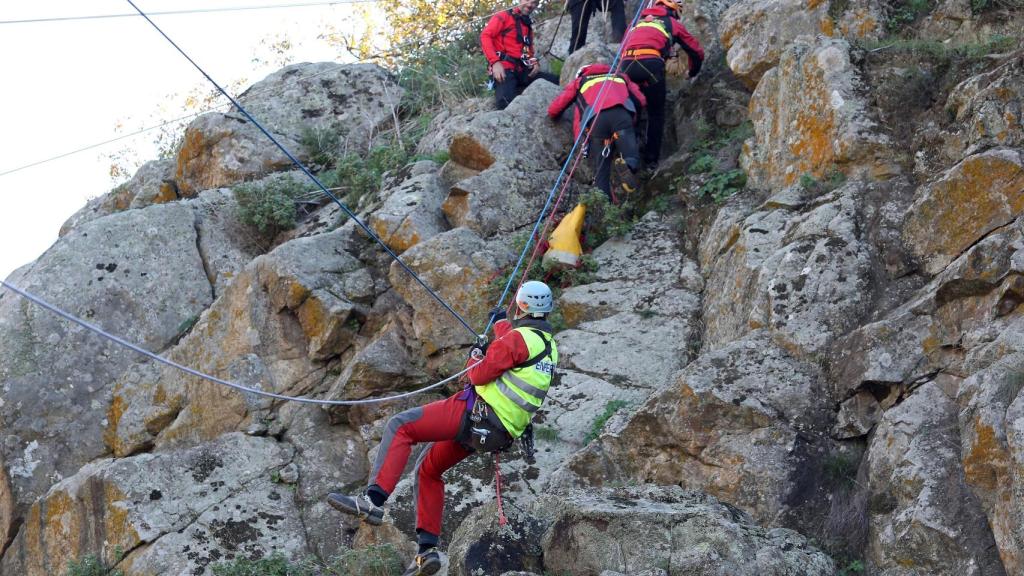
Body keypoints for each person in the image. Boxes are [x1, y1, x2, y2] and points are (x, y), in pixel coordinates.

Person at [327, 281, 560, 576]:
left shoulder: (517, 340)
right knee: (427, 469)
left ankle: (372, 501)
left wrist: (476, 355)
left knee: (401, 427)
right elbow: (514, 349)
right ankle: (427, 552)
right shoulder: (548, 347)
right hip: (495, 432)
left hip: (475, 412)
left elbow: (475, 375)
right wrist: (501, 325)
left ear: (521, 305)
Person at [620, 0, 704, 170]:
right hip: (651, 64)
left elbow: (623, 46)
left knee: (631, 109)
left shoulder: (635, 22)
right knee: (655, 113)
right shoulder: (671, 23)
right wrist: (692, 72)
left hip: (627, 65)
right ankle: (651, 161)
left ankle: (628, 154)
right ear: (673, 10)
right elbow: (696, 51)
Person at [547, 62, 646, 202]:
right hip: (621, 116)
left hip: (597, 121)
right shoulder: (620, 76)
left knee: (601, 170)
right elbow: (640, 100)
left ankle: (605, 206)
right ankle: (628, 164)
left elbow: (554, 109)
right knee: (631, 155)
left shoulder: (580, 82)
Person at [480, 0, 559, 110]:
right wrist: (495, 63)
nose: (530, 5)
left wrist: (534, 63)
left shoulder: (526, 24)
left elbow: (527, 49)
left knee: (555, 81)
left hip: (522, 70)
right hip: (504, 69)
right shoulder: (503, 16)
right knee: (506, 103)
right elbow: (485, 36)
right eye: (528, 0)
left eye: (534, 2)